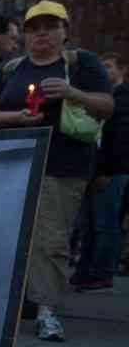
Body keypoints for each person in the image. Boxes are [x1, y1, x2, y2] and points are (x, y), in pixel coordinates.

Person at [0, 0, 113, 341]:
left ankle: (48, 311)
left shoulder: (81, 63)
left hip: (63, 165)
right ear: (24, 36)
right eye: (34, 29)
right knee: (7, 237)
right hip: (13, 165)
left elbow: (107, 106)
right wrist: (17, 119)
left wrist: (71, 92)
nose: (42, 35)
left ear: (64, 31)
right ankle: (13, 304)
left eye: (50, 27)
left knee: (50, 239)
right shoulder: (10, 70)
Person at [72, 52, 128, 293]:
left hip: (112, 170)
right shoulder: (100, 97)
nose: (104, 71)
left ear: (121, 70)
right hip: (92, 169)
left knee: (106, 223)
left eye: (109, 66)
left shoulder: (122, 98)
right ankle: (85, 270)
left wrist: (109, 170)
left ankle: (102, 272)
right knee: (88, 224)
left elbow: (121, 139)